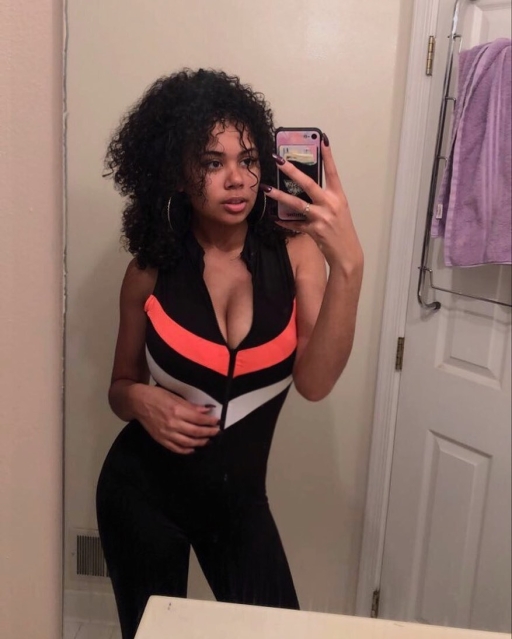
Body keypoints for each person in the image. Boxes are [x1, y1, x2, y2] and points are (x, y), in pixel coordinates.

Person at [96, 68, 363, 639]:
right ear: (177, 171)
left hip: (238, 507)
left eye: (248, 159)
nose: (237, 179)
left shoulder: (296, 254)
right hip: (139, 496)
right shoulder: (149, 269)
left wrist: (349, 265)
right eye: (212, 163)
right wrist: (141, 401)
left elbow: (315, 383)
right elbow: (119, 385)